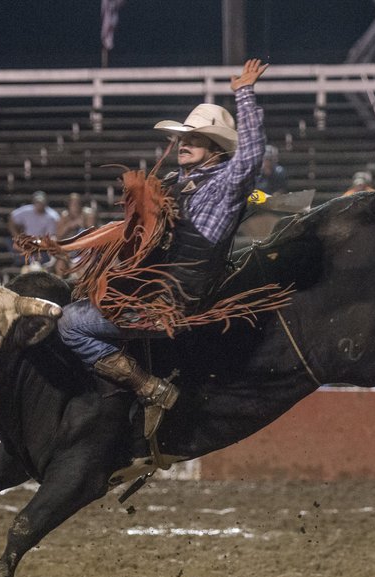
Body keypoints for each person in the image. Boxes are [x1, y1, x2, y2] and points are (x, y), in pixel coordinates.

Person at [56, 58, 269, 438]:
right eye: (183, 138)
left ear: (216, 148)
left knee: (71, 324)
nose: (183, 144)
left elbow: (251, 156)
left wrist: (245, 93)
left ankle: (152, 390)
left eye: (194, 139)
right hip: (152, 287)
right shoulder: (174, 183)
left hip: (170, 301)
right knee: (78, 300)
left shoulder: (224, 184)